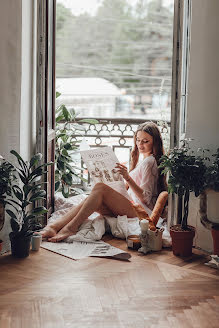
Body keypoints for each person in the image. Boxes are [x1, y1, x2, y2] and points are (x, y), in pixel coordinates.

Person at [40, 122, 167, 242]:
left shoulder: (150, 162)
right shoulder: (144, 160)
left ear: (155, 142)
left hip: (141, 212)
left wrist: (127, 177)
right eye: (138, 140)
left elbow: (146, 198)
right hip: (131, 205)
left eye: (146, 141)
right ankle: (54, 227)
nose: (140, 144)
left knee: (100, 188)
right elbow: (133, 189)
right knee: (91, 199)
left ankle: (70, 228)